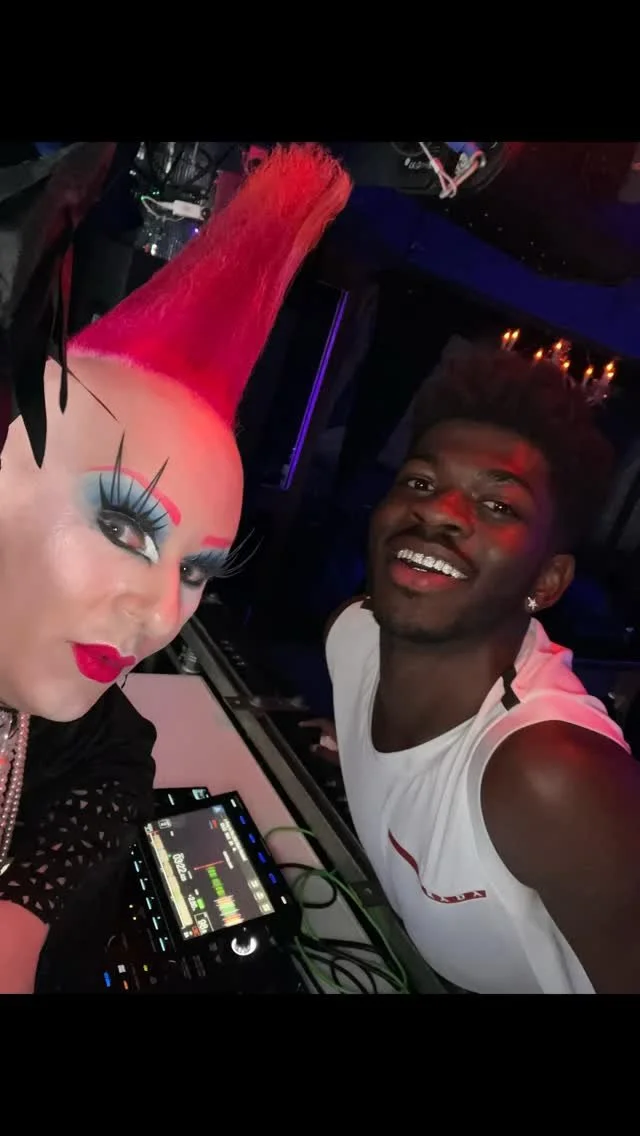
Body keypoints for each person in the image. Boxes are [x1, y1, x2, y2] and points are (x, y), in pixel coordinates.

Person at [0, 143, 352, 993]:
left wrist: (20, 918)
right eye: (125, 526)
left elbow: (115, 767)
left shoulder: (82, 733)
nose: (162, 614)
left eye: (196, 571)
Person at [314, 345, 640, 994]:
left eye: (499, 506)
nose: (437, 510)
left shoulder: (550, 776)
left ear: (546, 582)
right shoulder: (349, 637)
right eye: (420, 482)